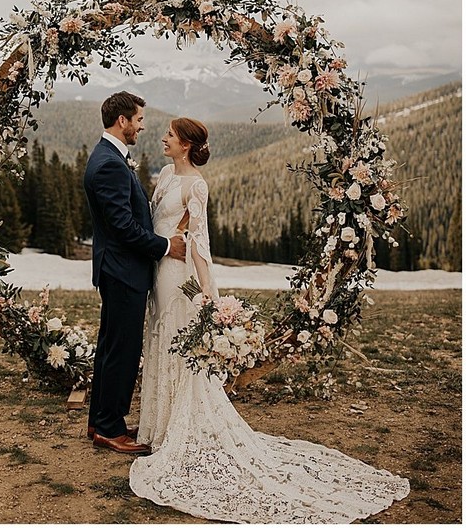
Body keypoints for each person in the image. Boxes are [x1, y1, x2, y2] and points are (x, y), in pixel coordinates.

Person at [129, 117, 411, 523]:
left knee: (177, 342)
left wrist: (209, 294)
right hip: (159, 269)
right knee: (159, 340)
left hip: (180, 278)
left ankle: (179, 429)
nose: (163, 138)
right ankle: (157, 428)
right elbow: (160, 225)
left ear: (187, 144)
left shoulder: (197, 185)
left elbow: (200, 241)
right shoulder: (166, 174)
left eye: (170, 136)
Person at [83, 91, 186, 455]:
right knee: (122, 350)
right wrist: (164, 246)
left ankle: (101, 421)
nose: (142, 127)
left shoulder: (109, 156)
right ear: (122, 120)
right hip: (123, 270)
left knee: (112, 347)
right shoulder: (109, 163)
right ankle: (110, 429)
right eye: (138, 120)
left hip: (117, 269)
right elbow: (124, 227)